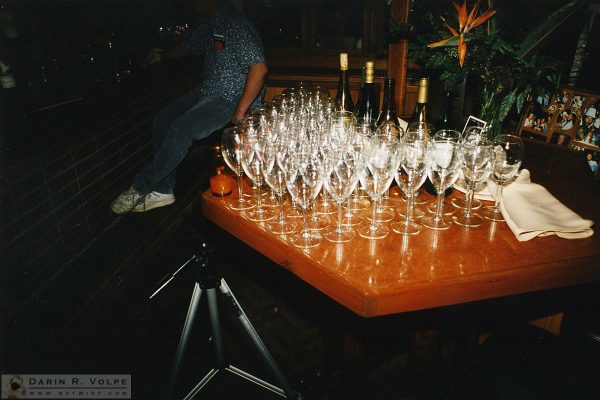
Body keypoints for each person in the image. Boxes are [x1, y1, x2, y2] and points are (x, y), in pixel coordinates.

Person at [111, 0, 267, 214]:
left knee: (181, 130)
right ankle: (164, 190)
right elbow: (190, 46)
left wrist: (240, 111)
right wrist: (163, 55)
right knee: (163, 120)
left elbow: (259, 68)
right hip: (209, 91)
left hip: (232, 97)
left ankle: (141, 186)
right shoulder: (208, 24)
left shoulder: (235, 23)